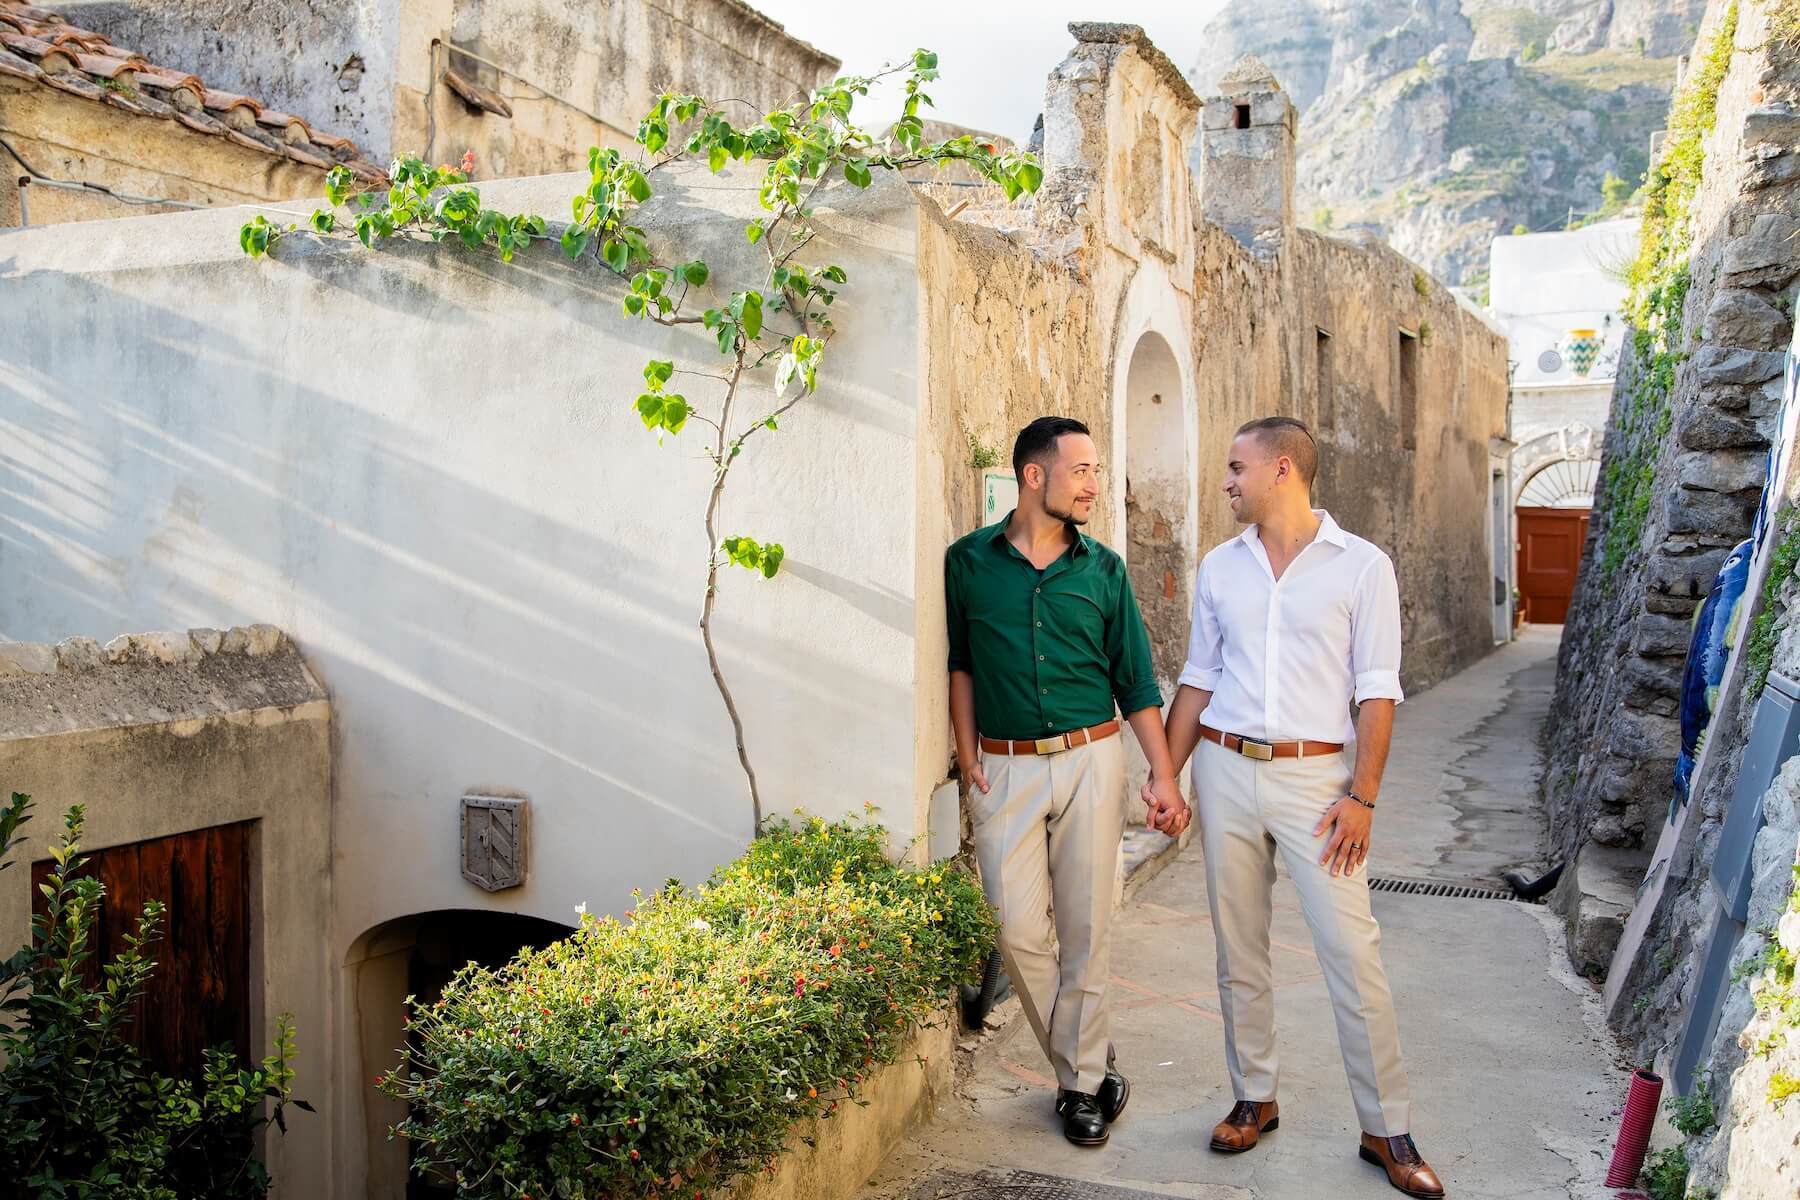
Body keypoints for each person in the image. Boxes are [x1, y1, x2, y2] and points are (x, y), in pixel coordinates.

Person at [1155, 416, 1444, 1198]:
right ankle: (1255, 1097)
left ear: (1282, 469)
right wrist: (1167, 775)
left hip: (1320, 785)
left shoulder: (1362, 567)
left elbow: (1377, 689)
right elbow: (1199, 677)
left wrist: (1365, 797)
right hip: (1224, 768)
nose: (1226, 482)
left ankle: (1387, 1128)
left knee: (1353, 954)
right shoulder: (1221, 567)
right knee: (1237, 947)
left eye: (1235, 467)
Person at [945, 416, 1190, 1147]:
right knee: (1015, 927)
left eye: (1094, 471)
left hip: (1092, 757)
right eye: (1081, 469)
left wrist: (1164, 779)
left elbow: (1137, 683)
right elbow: (960, 662)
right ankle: (1089, 1051)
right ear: (1034, 476)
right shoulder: (968, 563)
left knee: (1087, 926)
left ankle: (1078, 1087)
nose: (1092, 484)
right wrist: (967, 758)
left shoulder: (1105, 570)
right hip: (1004, 764)